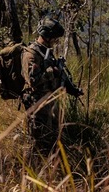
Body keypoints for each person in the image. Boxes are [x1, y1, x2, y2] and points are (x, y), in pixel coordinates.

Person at [21, 16, 83, 155]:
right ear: (47, 36)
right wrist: (51, 71)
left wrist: (72, 89)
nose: (56, 41)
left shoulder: (46, 52)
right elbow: (33, 81)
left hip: (50, 104)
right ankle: (30, 171)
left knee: (52, 139)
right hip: (37, 104)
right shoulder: (31, 54)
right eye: (55, 38)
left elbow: (58, 75)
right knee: (38, 142)